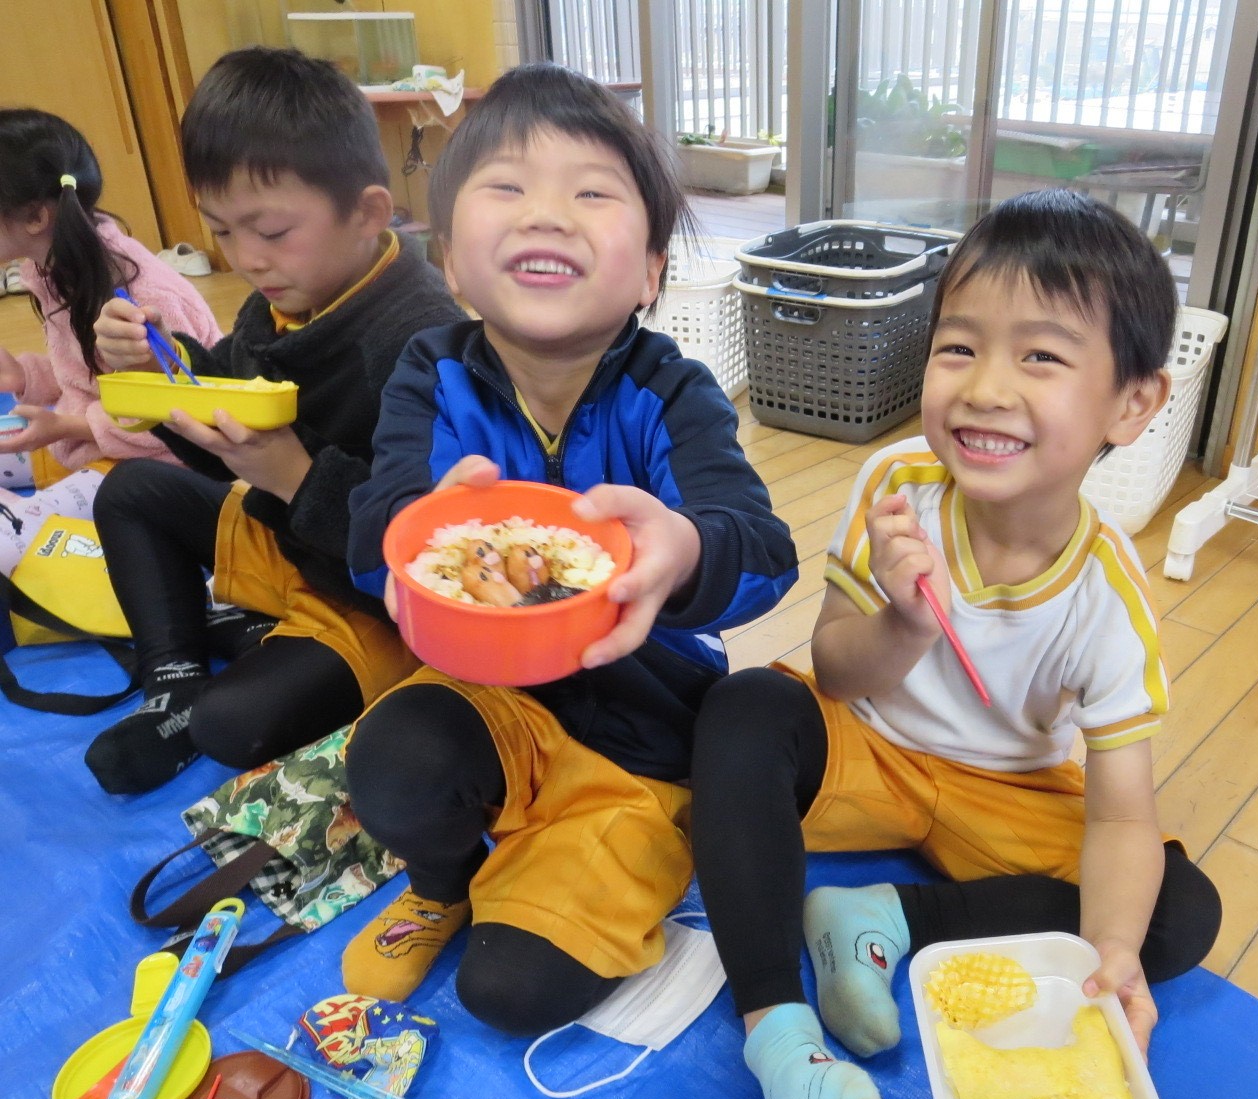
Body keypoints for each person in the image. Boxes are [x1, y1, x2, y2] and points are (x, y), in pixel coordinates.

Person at [687, 189, 1224, 1099]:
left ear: (1132, 404)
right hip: (869, 749)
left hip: (1006, 794)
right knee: (743, 707)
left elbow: (1117, 818)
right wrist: (903, 622)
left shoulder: (1111, 597)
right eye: (958, 347)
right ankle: (777, 1030)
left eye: (1042, 357)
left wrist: (1107, 961)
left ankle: (882, 922)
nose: (984, 388)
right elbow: (836, 671)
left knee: (1174, 909)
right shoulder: (896, 487)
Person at [338, 63, 798, 1036]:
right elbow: (376, 532)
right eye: (505, 187)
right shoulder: (433, 375)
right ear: (451, 264)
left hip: (642, 732)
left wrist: (682, 551)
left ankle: (629, 843)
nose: (546, 213)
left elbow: (764, 554)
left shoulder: (672, 394)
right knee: (389, 759)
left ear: (652, 271)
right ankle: (443, 882)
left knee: (508, 993)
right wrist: (407, 539)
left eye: (590, 192)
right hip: (487, 706)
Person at [82, 47, 462, 794]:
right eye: (223, 232)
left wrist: (295, 476)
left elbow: (434, 549)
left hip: (375, 601)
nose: (249, 259)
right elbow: (224, 444)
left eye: (272, 231)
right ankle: (176, 677)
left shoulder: (419, 339)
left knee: (234, 725)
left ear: (368, 213)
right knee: (128, 493)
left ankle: (231, 661)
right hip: (287, 544)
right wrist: (169, 371)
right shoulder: (281, 299)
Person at [0, 108, 224, 576]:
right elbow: (86, 376)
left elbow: (178, 423)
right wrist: (23, 376)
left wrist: (67, 428)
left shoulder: (141, 296)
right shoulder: (52, 266)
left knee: (9, 542)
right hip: (92, 441)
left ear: (37, 215)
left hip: (162, 470)